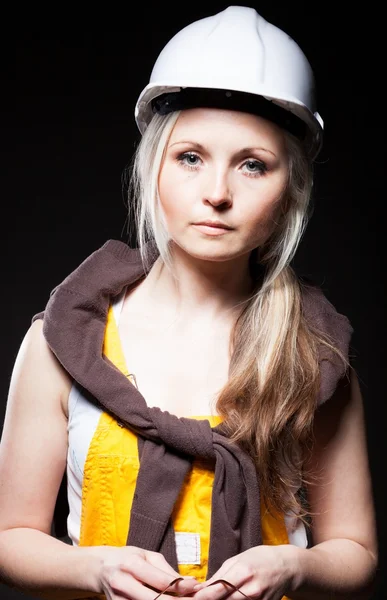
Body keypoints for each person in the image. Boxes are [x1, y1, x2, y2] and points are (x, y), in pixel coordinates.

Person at [0, 5, 377, 600]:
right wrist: (96, 570)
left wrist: (291, 568)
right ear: (153, 167)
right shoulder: (63, 344)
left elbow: (355, 550)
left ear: (290, 190)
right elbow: (12, 534)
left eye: (253, 165)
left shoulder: (316, 353)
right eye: (191, 157)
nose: (218, 193)